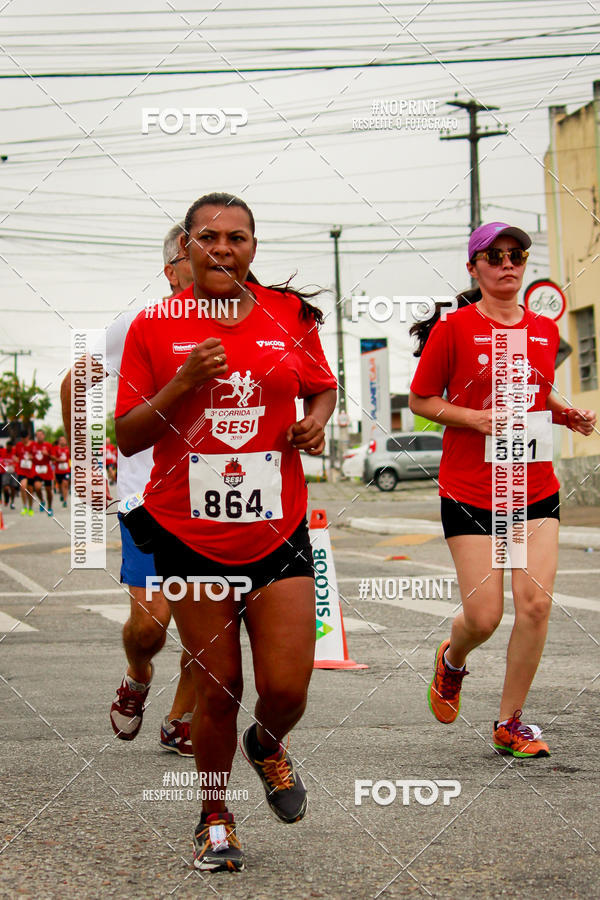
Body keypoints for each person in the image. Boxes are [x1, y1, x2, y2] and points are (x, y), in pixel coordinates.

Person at [115, 192, 337, 872]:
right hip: (191, 532)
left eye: (236, 237)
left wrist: (318, 419)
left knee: (288, 687)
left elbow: (321, 384)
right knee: (219, 688)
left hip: (278, 529)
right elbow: (124, 435)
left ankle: (267, 745)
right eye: (207, 236)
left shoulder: (289, 315)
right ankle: (213, 814)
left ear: (252, 247)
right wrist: (182, 381)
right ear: (186, 247)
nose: (222, 247)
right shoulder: (154, 326)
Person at [409, 222, 597, 759]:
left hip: (533, 486)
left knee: (535, 605)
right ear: (474, 268)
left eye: (516, 255)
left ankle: (510, 721)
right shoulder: (454, 329)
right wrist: (475, 418)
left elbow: (536, 399)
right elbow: (422, 401)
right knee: (484, 616)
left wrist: (568, 416)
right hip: (471, 490)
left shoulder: (542, 331)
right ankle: (452, 660)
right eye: (494, 257)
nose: (507, 264)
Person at [60, 222, 197, 756]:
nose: (214, 259)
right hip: (149, 500)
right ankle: (137, 674)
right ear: (170, 269)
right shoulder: (138, 322)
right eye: (197, 251)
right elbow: (76, 382)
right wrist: (86, 463)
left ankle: (179, 719)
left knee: (214, 630)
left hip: (221, 503)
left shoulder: (244, 319)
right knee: (151, 627)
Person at [31, 429, 55, 517]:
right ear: (36, 436)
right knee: (37, 487)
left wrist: (47, 454)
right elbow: (28, 455)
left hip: (46, 470)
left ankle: (49, 508)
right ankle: (42, 501)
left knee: (49, 490)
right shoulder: (33, 445)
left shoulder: (48, 445)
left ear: (43, 436)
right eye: (37, 435)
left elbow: (54, 458)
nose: (39, 436)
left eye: (41, 435)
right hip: (37, 469)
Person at [14, 432, 36, 516]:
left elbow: (38, 456)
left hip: (31, 471)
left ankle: (30, 507)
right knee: (23, 487)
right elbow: (15, 455)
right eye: (22, 439)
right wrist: (16, 459)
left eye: (25, 438)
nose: (24, 440)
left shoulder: (33, 445)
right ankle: (24, 506)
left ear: (28, 437)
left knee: (30, 490)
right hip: (22, 470)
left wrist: (32, 457)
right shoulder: (19, 445)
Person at [53, 435, 71, 508]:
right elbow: (53, 457)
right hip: (58, 471)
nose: (63, 441)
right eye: (61, 440)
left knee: (65, 483)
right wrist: (59, 460)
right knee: (60, 485)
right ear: (59, 441)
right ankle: (61, 493)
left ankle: (65, 500)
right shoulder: (55, 448)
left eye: (64, 440)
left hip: (66, 470)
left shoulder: (68, 449)